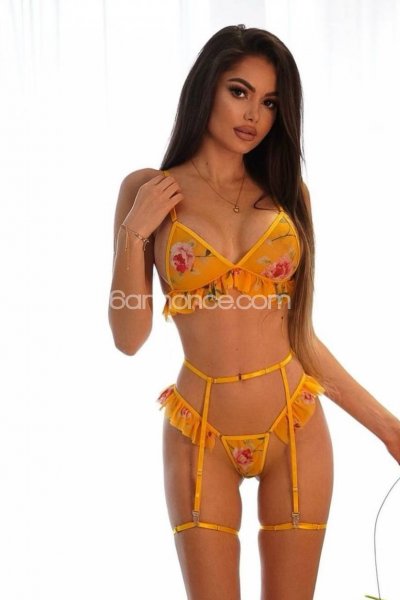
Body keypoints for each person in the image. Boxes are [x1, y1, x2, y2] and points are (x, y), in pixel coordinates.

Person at [108, 24, 400, 600]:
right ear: (206, 88)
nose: (254, 115)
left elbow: (301, 337)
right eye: (239, 91)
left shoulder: (288, 193)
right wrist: (134, 233)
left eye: (269, 102)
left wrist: (389, 429)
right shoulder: (148, 191)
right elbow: (129, 337)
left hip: (294, 423)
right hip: (200, 429)